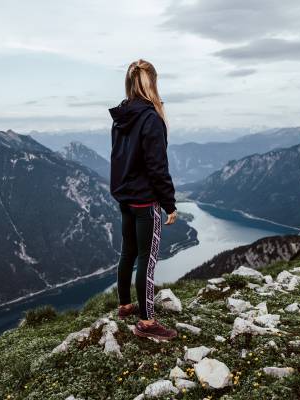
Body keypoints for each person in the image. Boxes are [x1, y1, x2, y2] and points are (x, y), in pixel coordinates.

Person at [108, 59, 178, 341]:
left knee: (128, 253)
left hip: (125, 196)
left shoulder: (121, 117)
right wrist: (170, 204)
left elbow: (118, 158)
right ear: (153, 83)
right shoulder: (151, 118)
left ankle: (125, 306)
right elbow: (157, 166)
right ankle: (147, 322)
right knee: (147, 260)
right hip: (145, 201)